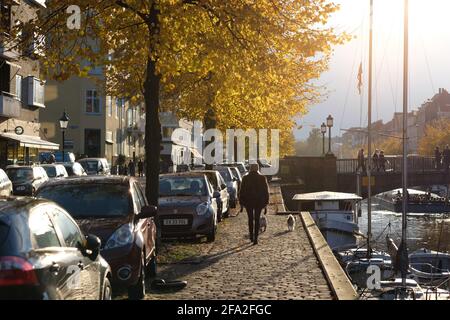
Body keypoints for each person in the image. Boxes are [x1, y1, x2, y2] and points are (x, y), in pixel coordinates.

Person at [238, 163, 270, 245]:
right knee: (257, 219)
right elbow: (266, 192)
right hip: (259, 202)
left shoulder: (245, 178)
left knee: (250, 219)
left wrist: (241, 202)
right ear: (258, 169)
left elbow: (241, 191)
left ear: (250, 169)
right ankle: (256, 238)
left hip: (248, 202)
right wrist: (266, 202)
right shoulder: (262, 178)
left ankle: (251, 236)